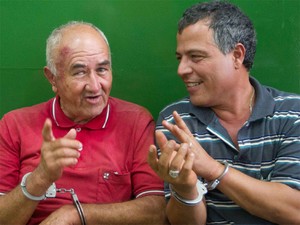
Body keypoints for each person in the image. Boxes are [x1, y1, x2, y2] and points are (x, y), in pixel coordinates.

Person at [147, 1, 300, 224]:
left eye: (196, 57)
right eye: (180, 58)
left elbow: (293, 211)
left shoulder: (292, 113)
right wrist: (185, 187)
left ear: (237, 55)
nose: (182, 70)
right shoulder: (175, 121)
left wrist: (212, 169)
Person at [0, 21, 167, 225]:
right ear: (52, 78)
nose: (95, 86)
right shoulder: (14, 124)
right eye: (79, 72)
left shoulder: (136, 121)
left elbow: (157, 211)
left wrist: (75, 215)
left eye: (102, 69)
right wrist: (40, 178)